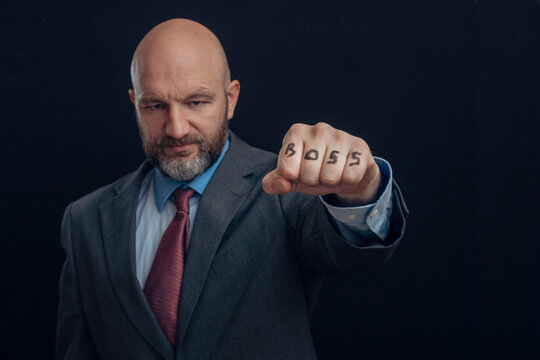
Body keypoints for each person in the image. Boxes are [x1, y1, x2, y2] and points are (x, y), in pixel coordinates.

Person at [56, 18, 408, 360]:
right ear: (135, 102)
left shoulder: (286, 187)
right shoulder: (85, 220)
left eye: (196, 102)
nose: (177, 128)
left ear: (231, 99)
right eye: (155, 105)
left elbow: (349, 245)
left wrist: (360, 189)